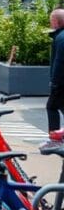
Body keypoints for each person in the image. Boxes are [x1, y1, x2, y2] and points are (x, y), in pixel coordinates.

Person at [41, 9, 64, 150]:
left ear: (56, 21)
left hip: (60, 82)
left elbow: (59, 62)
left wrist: (54, 81)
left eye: (51, 20)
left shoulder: (60, 38)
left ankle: (54, 139)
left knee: (51, 107)